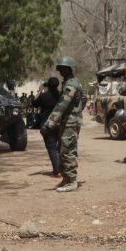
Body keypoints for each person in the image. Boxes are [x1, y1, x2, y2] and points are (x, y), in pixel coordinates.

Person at [42, 58, 84, 191]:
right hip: (69, 122)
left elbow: (62, 105)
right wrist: (77, 111)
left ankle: (71, 181)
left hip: (70, 123)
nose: (60, 71)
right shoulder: (73, 82)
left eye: (63, 69)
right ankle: (66, 179)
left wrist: (49, 124)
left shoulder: (71, 84)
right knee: (63, 150)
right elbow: (83, 99)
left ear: (69, 69)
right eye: (59, 69)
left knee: (67, 151)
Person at [34, 78, 62, 176]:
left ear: (48, 86)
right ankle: (62, 168)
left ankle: (57, 170)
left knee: (51, 147)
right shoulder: (61, 96)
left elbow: (33, 104)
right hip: (60, 124)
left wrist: (40, 90)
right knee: (60, 147)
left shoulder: (43, 96)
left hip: (47, 125)